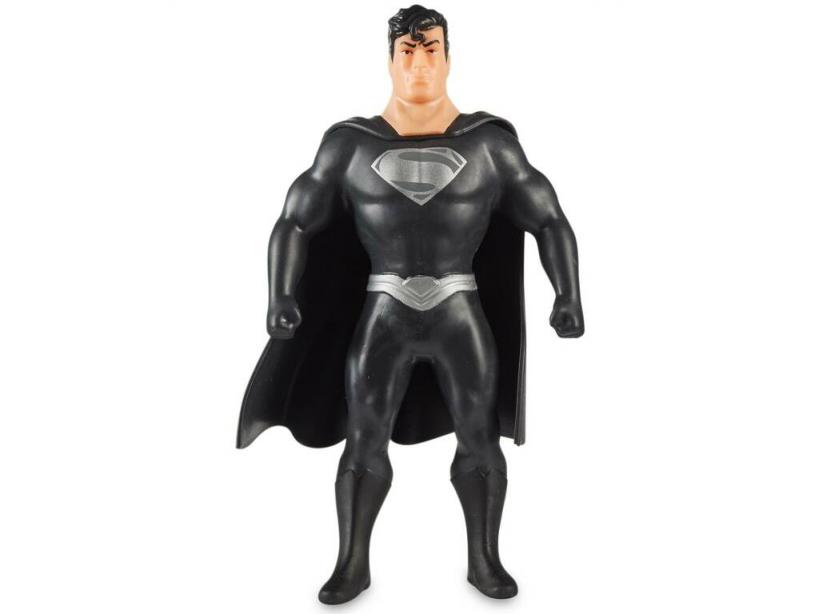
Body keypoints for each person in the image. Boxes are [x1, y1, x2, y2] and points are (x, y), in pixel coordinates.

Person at [237, 4, 584, 604]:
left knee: (480, 439)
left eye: (431, 50)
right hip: (384, 312)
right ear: (390, 60)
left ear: (449, 58)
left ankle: (484, 559)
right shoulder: (350, 145)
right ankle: (352, 563)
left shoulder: (489, 145)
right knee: (363, 440)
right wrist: (281, 295)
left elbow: (549, 217)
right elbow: (294, 221)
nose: (420, 63)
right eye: (408, 51)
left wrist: (568, 294)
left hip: (459, 309)